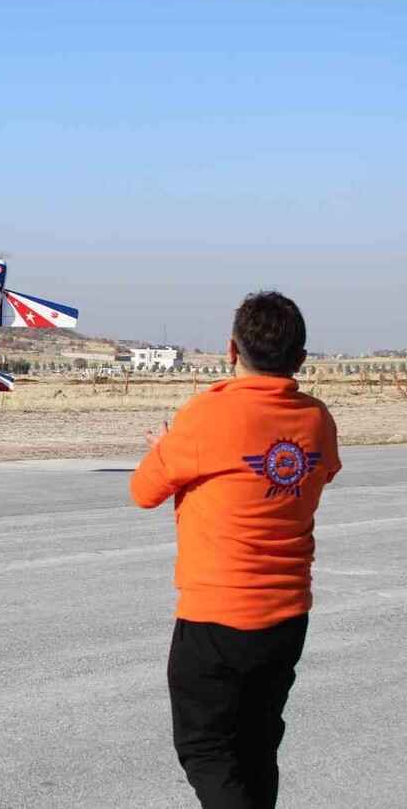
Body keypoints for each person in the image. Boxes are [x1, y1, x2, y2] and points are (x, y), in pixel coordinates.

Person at [130, 291, 340, 809]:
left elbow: (143, 492)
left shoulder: (204, 416)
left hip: (217, 617)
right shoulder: (317, 419)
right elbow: (322, 471)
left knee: (207, 750)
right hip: (288, 614)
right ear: (300, 360)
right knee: (256, 746)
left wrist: (166, 448)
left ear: (231, 350)